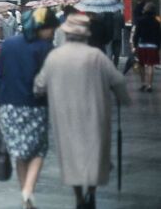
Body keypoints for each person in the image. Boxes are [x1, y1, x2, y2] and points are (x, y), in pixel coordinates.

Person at [34, 14, 131, 209]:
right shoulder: (95, 56)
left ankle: (79, 197)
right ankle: (91, 193)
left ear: (67, 34)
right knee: (94, 154)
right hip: (94, 116)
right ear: (86, 34)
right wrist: (124, 99)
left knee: (71, 156)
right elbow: (118, 80)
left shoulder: (55, 56)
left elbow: (39, 85)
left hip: (65, 117)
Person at [0, 7, 58, 209]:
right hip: (36, 106)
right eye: (51, 29)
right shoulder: (45, 48)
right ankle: (28, 191)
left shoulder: (9, 45)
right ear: (42, 27)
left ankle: (25, 196)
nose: (52, 33)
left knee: (20, 152)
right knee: (38, 151)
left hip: (10, 107)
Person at [131, 2, 160, 92]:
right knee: (150, 65)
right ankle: (150, 85)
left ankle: (143, 83)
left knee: (141, 64)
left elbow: (137, 34)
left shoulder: (140, 20)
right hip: (153, 46)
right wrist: (158, 46)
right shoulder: (156, 22)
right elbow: (159, 35)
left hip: (142, 45)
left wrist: (135, 45)